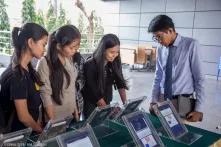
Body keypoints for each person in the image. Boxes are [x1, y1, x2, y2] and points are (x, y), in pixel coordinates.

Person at [148, 15, 204, 122]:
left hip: (183, 103)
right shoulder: (160, 49)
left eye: (159, 36)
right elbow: (158, 77)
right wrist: (153, 100)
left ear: (170, 30)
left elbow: (200, 79)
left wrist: (199, 109)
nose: (158, 40)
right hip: (162, 101)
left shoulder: (191, 45)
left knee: (182, 136)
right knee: (162, 134)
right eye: (155, 38)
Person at [0, 23, 48, 133]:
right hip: (16, 137)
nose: (44, 49)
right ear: (31, 42)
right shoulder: (17, 76)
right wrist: (40, 131)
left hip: (27, 132)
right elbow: (24, 117)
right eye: (43, 44)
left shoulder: (28, 70)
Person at [37, 25, 81, 122]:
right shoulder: (44, 63)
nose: (74, 51)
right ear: (58, 46)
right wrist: (52, 122)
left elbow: (72, 89)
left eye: (76, 48)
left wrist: (76, 113)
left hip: (69, 117)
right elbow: (45, 95)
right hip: (53, 119)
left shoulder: (69, 58)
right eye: (71, 48)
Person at [82, 33, 128, 118]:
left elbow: (120, 83)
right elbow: (95, 93)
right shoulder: (90, 65)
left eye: (117, 52)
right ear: (103, 50)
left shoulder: (114, 62)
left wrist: (126, 105)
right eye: (112, 52)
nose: (115, 55)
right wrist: (109, 110)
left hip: (106, 102)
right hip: (92, 106)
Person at [72, 52, 85, 118]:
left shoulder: (79, 59)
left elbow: (83, 78)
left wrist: (76, 85)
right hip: (62, 106)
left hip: (77, 101)